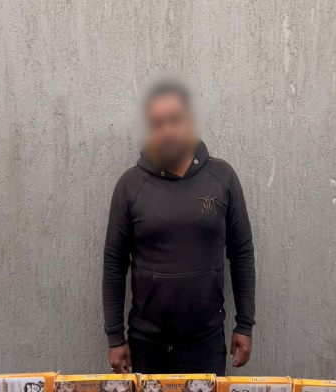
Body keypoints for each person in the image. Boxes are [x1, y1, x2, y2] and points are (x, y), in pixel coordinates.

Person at [102, 73, 255, 375]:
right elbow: (114, 264)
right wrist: (115, 337)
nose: (167, 130)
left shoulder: (222, 178)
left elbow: (241, 254)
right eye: (157, 123)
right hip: (146, 344)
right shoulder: (131, 186)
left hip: (207, 343)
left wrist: (245, 324)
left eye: (175, 119)